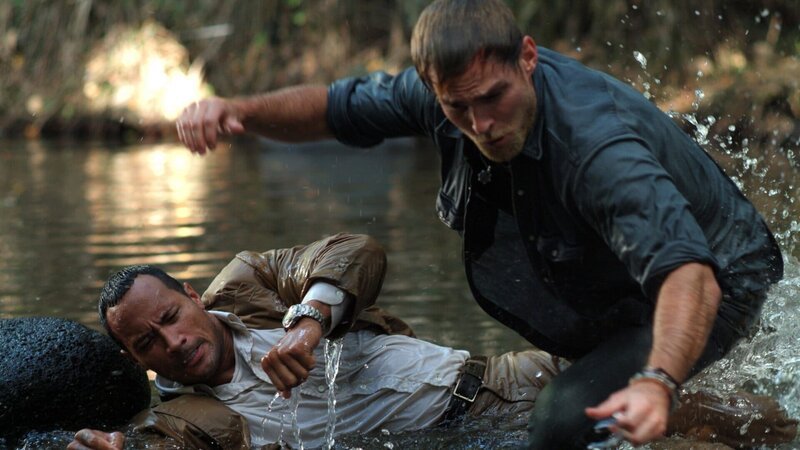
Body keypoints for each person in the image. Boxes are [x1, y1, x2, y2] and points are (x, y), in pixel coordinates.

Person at [174, 1, 786, 447]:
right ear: (432, 88)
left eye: (493, 98)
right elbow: (334, 109)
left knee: (560, 425)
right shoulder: (446, 93)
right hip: (620, 270)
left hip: (718, 275)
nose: (480, 123)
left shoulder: (599, 150)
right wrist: (239, 112)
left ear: (527, 58)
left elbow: (690, 278)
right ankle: (755, 422)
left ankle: (706, 413)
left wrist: (656, 379)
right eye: (456, 107)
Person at [67, 233, 562, 449]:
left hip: (502, 380)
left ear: (193, 296)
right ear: (136, 360)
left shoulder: (246, 282)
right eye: (148, 343)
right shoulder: (178, 421)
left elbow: (354, 250)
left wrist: (308, 325)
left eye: (172, 316)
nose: (173, 342)